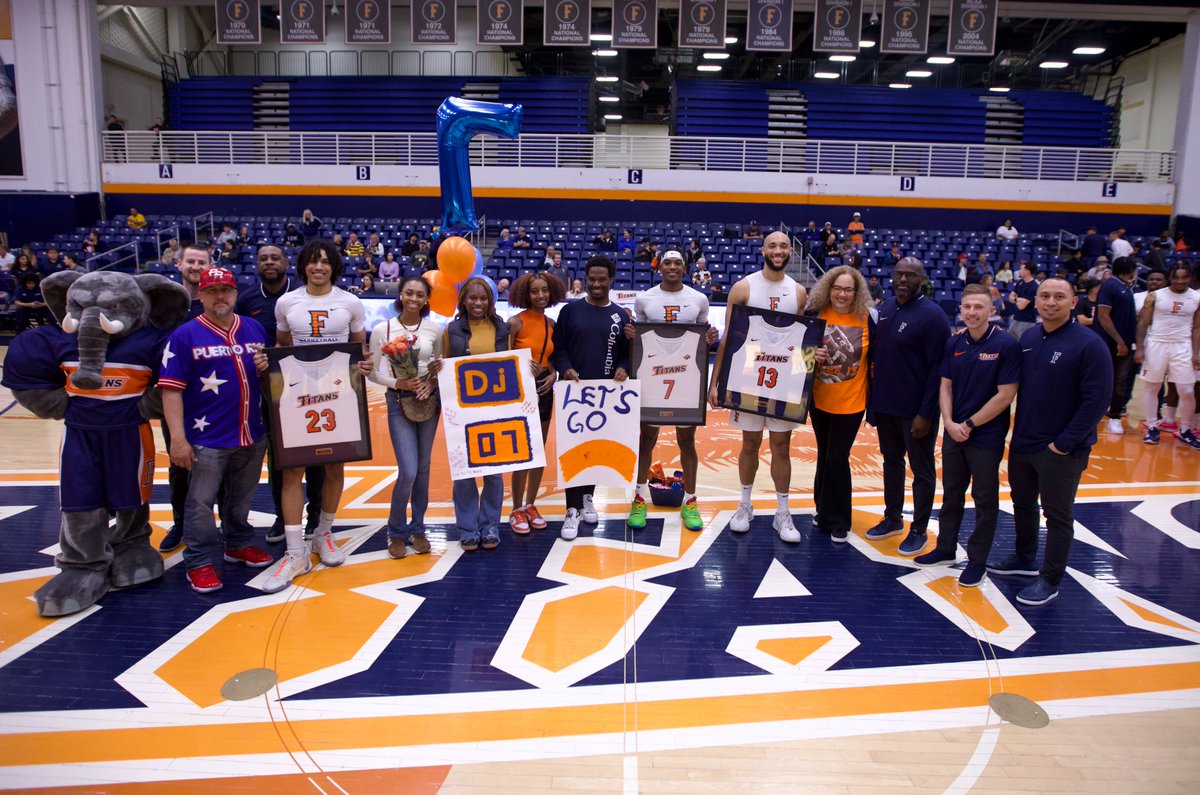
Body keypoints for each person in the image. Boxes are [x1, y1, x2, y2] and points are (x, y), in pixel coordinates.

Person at [988, 277, 1113, 605]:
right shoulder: (1029, 337)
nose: (1050, 302)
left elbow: (1097, 400)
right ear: (1036, 300)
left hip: (1062, 448)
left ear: (1074, 302)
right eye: (1045, 296)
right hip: (1025, 440)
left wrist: (1064, 443)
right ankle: (1025, 558)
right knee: (1023, 503)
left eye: (1059, 296)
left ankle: (1051, 577)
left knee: (1057, 514)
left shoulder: (1089, 343)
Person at [261, 240, 373, 593]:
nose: (318, 267)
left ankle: (323, 533)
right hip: (297, 391)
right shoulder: (287, 302)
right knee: (293, 468)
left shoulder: (350, 302)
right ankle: (295, 552)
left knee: (335, 465)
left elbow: (360, 349)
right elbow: (281, 346)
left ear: (334, 267)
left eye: (325, 262)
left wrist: (366, 363)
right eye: (312, 262)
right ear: (304, 266)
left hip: (338, 390)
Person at [159, 267, 273, 593]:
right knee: (200, 503)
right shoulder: (184, 336)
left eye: (226, 290)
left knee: (241, 498)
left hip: (251, 433)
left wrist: (266, 370)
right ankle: (198, 561)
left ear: (236, 294)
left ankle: (237, 543)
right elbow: (170, 390)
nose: (220, 296)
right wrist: (177, 440)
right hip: (206, 438)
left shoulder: (252, 328)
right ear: (200, 295)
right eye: (212, 291)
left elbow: (264, 380)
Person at [913, 285, 1021, 586]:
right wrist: (948, 421)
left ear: (991, 310)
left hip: (985, 435)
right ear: (960, 309)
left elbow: (1005, 395)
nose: (972, 312)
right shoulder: (954, 343)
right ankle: (946, 548)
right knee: (951, 493)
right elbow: (944, 385)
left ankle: (977, 561)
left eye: (978, 307)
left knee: (984, 498)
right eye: (967, 307)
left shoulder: (1005, 345)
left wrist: (969, 424)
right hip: (953, 431)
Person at [706, 231, 809, 543]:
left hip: (783, 382)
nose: (778, 251)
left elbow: (804, 339)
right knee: (749, 444)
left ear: (790, 251)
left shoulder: (799, 291)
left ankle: (782, 512)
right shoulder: (744, 287)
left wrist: (804, 383)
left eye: (783, 246)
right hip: (748, 379)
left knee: (781, 447)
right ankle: (745, 504)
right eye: (772, 246)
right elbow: (728, 338)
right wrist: (716, 383)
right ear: (763, 250)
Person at [235, 245, 325, 545]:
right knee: (280, 458)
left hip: (310, 387)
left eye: (275, 258)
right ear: (257, 264)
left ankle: (315, 515)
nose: (270, 263)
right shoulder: (246, 300)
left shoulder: (303, 296)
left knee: (316, 454)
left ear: (286, 263)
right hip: (268, 390)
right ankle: (282, 517)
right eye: (264, 259)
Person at [625, 250, 716, 533]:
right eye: (668, 262)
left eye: (678, 263)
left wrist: (710, 338)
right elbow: (639, 341)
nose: (673, 266)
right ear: (659, 267)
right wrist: (632, 337)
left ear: (685, 268)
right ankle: (639, 498)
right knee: (646, 439)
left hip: (686, 376)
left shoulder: (699, 299)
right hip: (653, 375)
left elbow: (702, 339)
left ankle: (690, 500)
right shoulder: (644, 299)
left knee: (686, 441)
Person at [864, 257, 950, 555]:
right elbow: (875, 361)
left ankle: (919, 529)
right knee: (891, 462)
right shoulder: (885, 308)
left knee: (922, 471)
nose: (903, 280)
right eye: (898, 274)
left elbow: (938, 369)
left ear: (922, 279)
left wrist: (926, 413)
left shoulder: (933, 316)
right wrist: (872, 404)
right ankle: (893, 518)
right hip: (886, 407)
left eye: (909, 275)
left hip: (916, 413)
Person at [551, 255, 632, 540]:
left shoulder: (621, 315)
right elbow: (558, 348)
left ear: (611, 280)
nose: (596, 284)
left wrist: (623, 367)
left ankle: (588, 497)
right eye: (591, 279)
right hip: (574, 392)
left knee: (597, 449)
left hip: (606, 395)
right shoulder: (570, 312)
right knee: (575, 450)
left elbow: (626, 353)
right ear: (585, 280)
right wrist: (565, 367)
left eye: (601, 279)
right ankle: (571, 509)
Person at [369, 275, 444, 559]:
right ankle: (395, 531)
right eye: (409, 293)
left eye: (420, 295)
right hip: (397, 399)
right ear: (400, 295)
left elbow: (439, 366)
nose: (414, 299)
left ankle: (419, 528)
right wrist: (397, 384)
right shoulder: (382, 329)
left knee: (423, 469)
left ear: (426, 299)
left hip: (427, 400)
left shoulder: (435, 329)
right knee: (409, 470)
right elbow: (373, 371)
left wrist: (432, 382)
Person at [807, 266, 872, 544]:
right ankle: (822, 508)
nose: (842, 294)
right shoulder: (815, 314)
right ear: (827, 289)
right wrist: (811, 353)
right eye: (837, 288)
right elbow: (797, 355)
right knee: (824, 453)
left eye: (848, 289)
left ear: (856, 293)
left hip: (852, 403)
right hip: (819, 401)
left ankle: (840, 520)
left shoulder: (870, 319)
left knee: (837, 457)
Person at [444, 278, 509, 551]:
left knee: (494, 469)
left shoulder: (502, 328)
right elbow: (446, 365)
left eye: (483, 298)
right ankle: (468, 527)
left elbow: (510, 363)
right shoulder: (451, 329)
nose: (478, 303)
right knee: (464, 468)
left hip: (496, 408)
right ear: (463, 301)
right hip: (462, 409)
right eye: (473, 298)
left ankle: (490, 524)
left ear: (491, 301)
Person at [156, 244, 210, 552]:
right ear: (179, 264)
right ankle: (181, 523)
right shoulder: (164, 306)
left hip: (215, 399)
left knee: (221, 464)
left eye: (201, 262)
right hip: (176, 398)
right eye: (190, 261)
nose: (195, 266)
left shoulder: (219, 302)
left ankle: (220, 525)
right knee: (180, 463)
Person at [507, 272, 566, 535]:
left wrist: (553, 373)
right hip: (520, 391)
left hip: (544, 388)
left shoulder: (552, 323)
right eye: (534, 291)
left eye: (544, 291)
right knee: (522, 452)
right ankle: (516, 509)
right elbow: (504, 361)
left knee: (538, 452)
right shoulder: (515, 323)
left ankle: (531, 504)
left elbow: (553, 357)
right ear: (525, 294)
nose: (540, 295)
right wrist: (520, 366)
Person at [1136, 264, 1200, 448]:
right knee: (1152, 387)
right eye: (1176, 277)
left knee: (1187, 390)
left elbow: (1197, 327)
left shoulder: (1196, 298)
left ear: (1190, 278)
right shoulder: (1156, 295)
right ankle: (1153, 427)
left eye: (1184, 277)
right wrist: (1140, 348)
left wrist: (1195, 353)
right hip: (1157, 344)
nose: (1180, 281)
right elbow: (1142, 323)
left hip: (1183, 345)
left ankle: (1185, 430)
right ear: (1169, 278)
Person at [1095, 256, 1138, 434]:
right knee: (1111, 380)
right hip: (1112, 343)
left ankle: (1113, 414)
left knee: (1121, 381)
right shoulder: (1110, 286)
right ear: (1129, 270)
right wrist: (1119, 341)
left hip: (1125, 343)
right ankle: (1112, 417)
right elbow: (1103, 316)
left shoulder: (1124, 287)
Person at [1006, 261, 1039, 339]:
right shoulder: (1020, 282)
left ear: (1027, 271)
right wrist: (1019, 299)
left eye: (1021, 269)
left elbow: (1021, 306)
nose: (1019, 271)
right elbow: (1010, 297)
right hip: (1016, 317)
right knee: (1011, 340)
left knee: (1023, 342)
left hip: (1027, 320)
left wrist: (1015, 299)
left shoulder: (1034, 287)